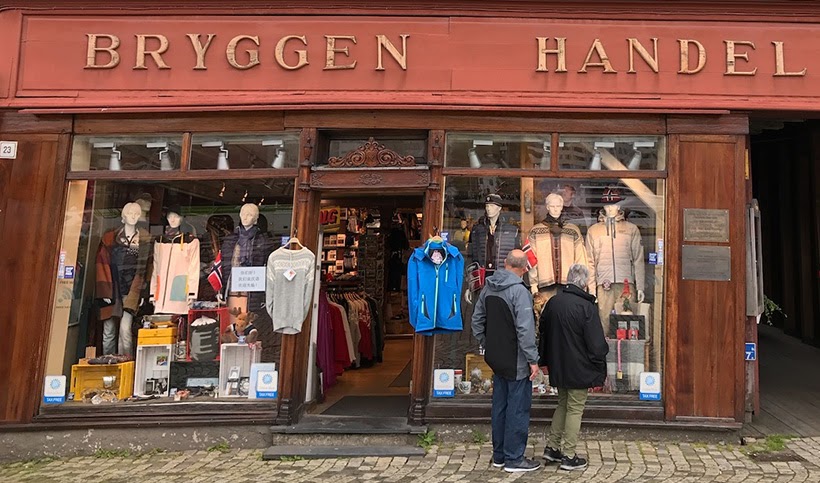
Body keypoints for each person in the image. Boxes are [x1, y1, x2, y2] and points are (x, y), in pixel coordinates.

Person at [471, 249, 541, 473]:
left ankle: (499, 455)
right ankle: (514, 458)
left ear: (504, 263)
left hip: (496, 357)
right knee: (517, 408)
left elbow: (476, 320)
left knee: (499, 406)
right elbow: (525, 330)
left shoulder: (489, 286)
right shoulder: (520, 292)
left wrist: (488, 342)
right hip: (517, 359)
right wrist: (533, 359)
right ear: (524, 269)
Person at [538, 263, 608, 471]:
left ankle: (552, 447)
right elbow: (596, 344)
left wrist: (547, 360)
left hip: (559, 363)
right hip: (579, 366)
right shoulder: (586, 307)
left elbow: (542, 332)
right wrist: (600, 362)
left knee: (563, 404)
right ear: (585, 282)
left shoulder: (553, 303)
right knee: (575, 408)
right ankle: (569, 455)